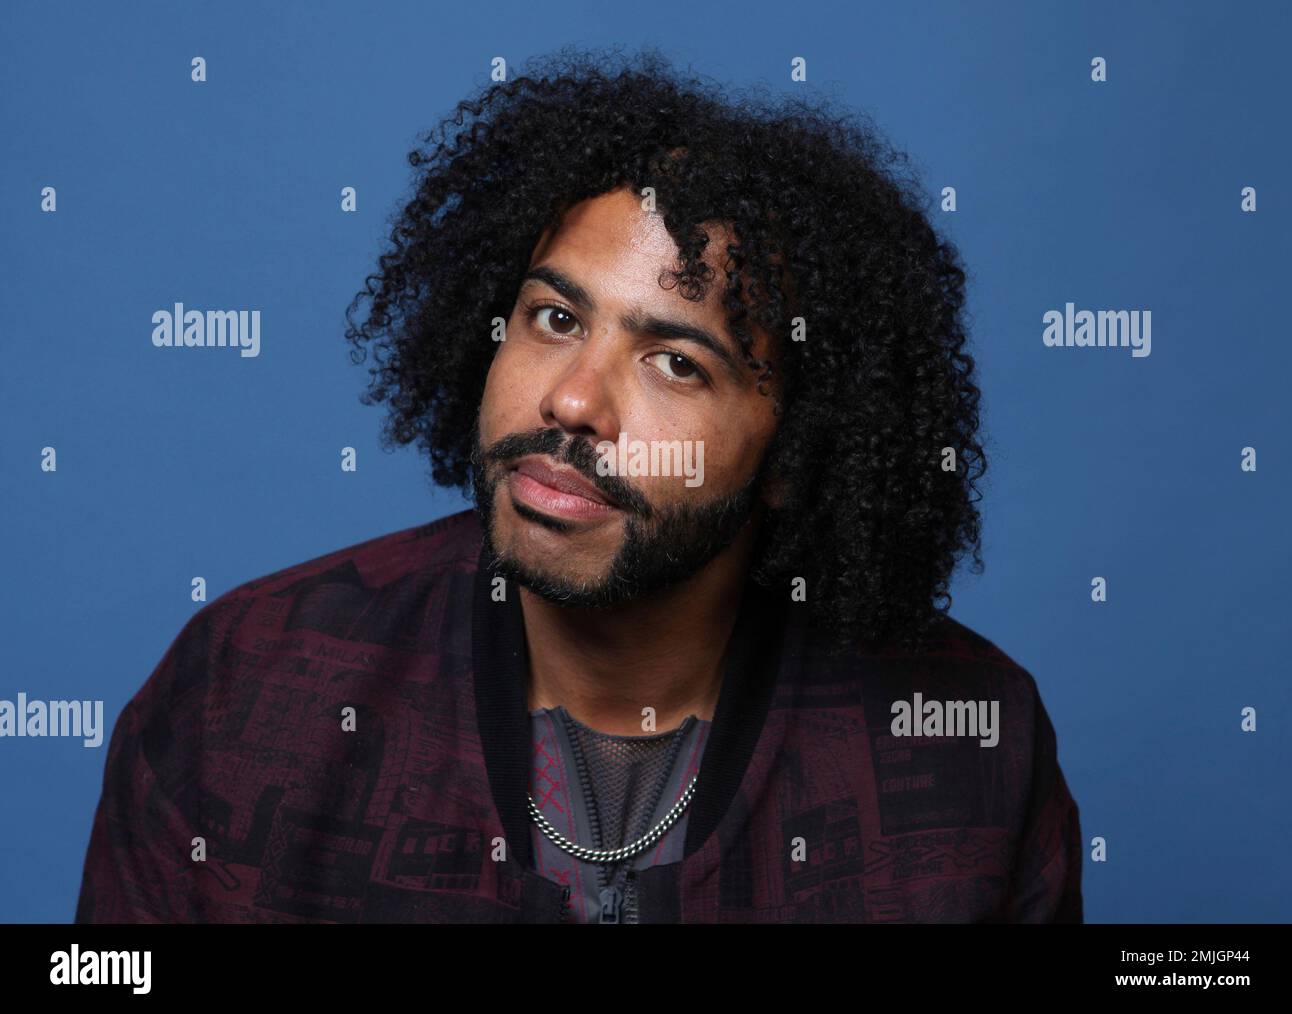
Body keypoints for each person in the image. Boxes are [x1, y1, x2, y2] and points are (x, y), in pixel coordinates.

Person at [76, 48, 1082, 924]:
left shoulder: (963, 750)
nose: (571, 403)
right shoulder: (246, 691)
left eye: (676, 362)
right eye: (554, 319)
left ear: (792, 456)